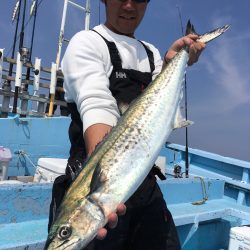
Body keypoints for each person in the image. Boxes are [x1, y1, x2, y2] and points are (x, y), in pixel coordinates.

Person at [48, 0, 205, 249]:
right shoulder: (87, 42)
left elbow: (157, 105)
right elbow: (96, 104)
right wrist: (107, 177)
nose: (129, 6)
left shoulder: (151, 53)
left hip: (143, 184)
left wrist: (172, 62)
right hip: (104, 179)